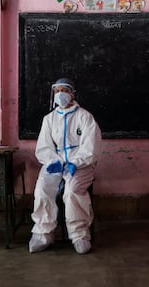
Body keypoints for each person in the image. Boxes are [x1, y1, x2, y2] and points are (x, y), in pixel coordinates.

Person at [29, 78, 102, 254]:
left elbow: (91, 147)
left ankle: (79, 235)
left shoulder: (85, 117)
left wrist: (75, 162)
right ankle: (43, 233)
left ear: (72, 94)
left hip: (80, 165)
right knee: (42, 189)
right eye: (57, 91)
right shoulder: (49, 119)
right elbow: (44, 147)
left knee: (71, 191)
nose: (60, 94)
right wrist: (54, 162)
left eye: (64, 90)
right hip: (56, 163)